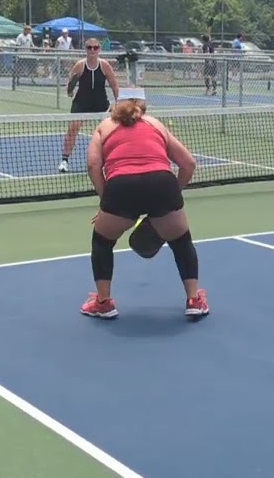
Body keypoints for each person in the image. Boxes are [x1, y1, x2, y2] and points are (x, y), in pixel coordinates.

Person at [81, 87, 209, 319]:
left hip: (120, 188)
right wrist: (173, 197)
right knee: (181, 242)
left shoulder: (104, 126)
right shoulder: (155, 124)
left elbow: (92, 166)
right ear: (144, 106)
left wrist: (105, 202)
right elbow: (188, 163)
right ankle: (194, 300)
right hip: (162, 183)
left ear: (116, 105)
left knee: (102, 242)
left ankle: (103, 302)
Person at [59, 37, 120, 172]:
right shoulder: (80, 65)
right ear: (85, 50)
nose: (92, 50)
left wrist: (118, 103)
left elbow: (114, 86)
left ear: (99, 49)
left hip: (101, 102)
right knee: (73, 129)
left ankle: (113, 159)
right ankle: (64, 160)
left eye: (95, 47)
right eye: (89, 47)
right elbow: (69, 91)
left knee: (111, 130)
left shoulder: (104, 65)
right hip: (82, 102)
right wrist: (70, 89)